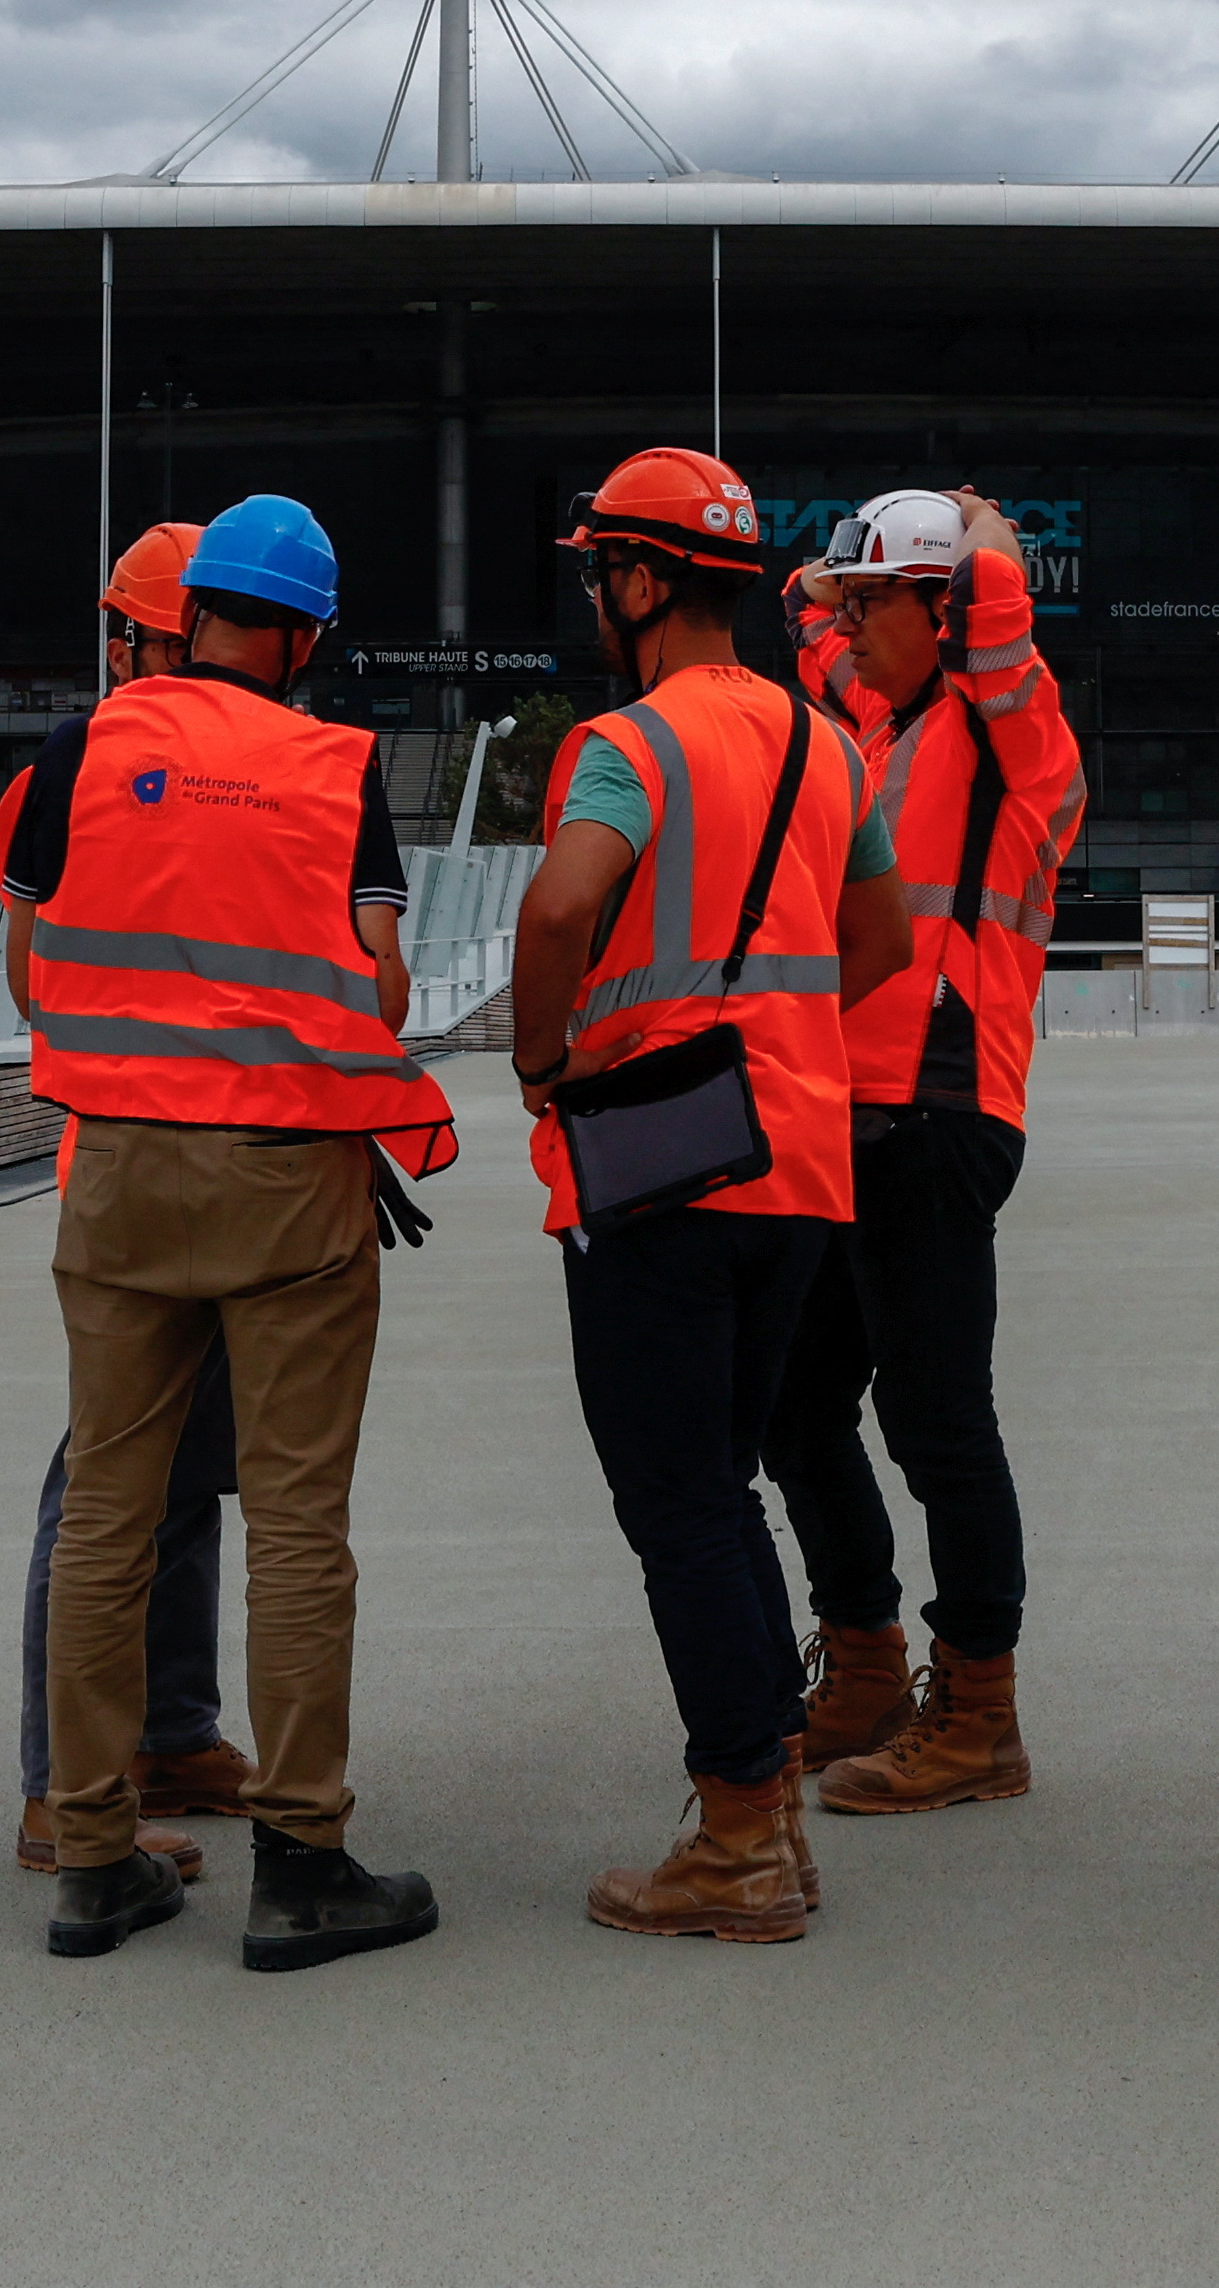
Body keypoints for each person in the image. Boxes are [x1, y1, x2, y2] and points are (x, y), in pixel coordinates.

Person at [7, 494, 460, 1971]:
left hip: (119, 1172)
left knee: (107, 1517)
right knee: (296, 1523)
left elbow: (34, 974)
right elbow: (378, 992)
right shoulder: (337, 771)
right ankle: (302, 1862)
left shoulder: (79, 754)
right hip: (284, 1182)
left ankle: (89, 1855)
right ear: (308, 636)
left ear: (185, 607)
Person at [509, 446, 912, 1943]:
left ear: (640, 579)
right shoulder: (826, 744)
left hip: (659, 1168)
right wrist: (768, 1012)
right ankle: (765, 1815)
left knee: (674, 1502)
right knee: (720, 1489)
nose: (597, 596)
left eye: (601, 571)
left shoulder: (630, 743)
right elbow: (875, 946)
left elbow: (560, 903)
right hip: (799, 1164)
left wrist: (544, 1053)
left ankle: (739, 1838)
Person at [763, 485, 1085, 1817]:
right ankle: (863, 1671)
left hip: (943, 1109)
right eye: (846, 605)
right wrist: (830, 575)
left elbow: (995, 607)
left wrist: (976, 519)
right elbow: (800, 620)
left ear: (942, 609)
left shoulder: (1012, 735)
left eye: (872, 600)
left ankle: (979, 1714)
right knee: (795, 1406)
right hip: (844, 1111)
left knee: (939, 1421)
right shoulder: (868, 726)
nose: (847, 625)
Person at [0, 524, 246, 1887]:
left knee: (187, 1473)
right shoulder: (73, 772)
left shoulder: (233, 769)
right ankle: (62, 1789)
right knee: (104, 1482)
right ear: (148, 640)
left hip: (226, 1161)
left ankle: (173, 1734)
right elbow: (43, 981)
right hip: (141, 1169)